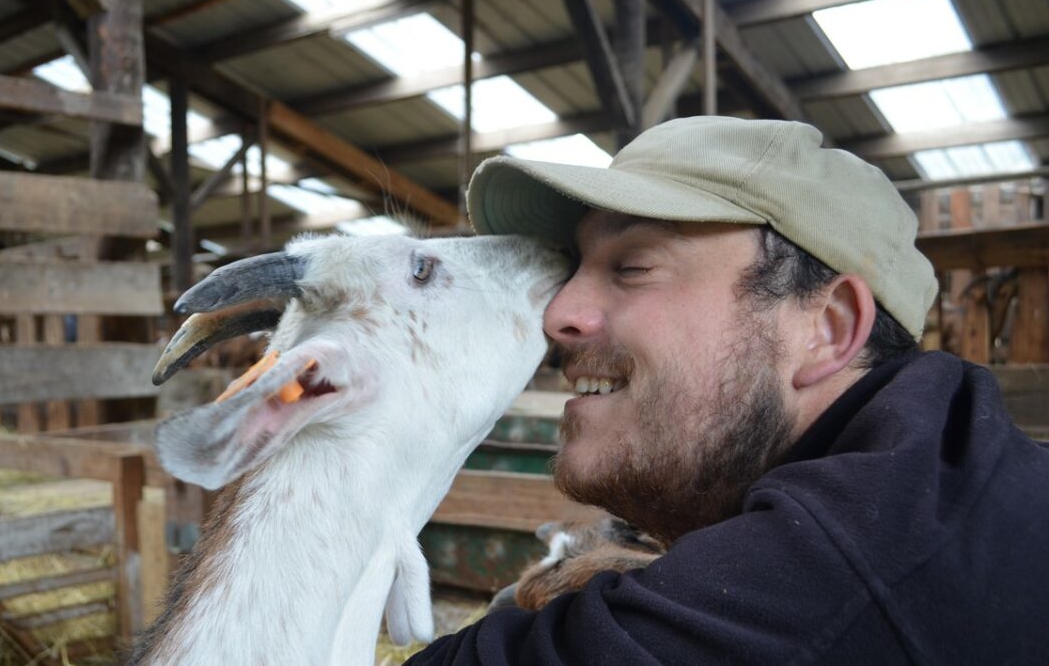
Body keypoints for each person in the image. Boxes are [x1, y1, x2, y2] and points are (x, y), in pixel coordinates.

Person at [406, 117, 1049, 664]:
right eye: (574, 269)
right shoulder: (938, 456)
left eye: (633, 266)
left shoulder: (847, 562)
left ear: (828, 328)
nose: (558, 313)